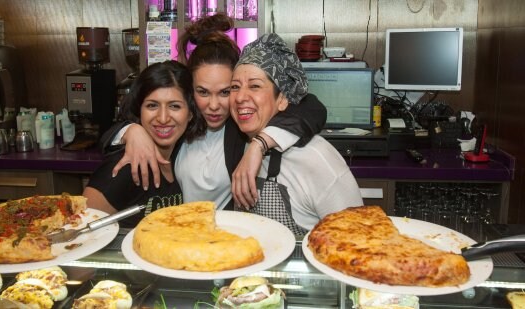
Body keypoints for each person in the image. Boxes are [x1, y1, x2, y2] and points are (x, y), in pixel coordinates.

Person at [104, 13, 326, 210]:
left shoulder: (243, 127)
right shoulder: (182, 124)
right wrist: (132, 131)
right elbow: (113, 129)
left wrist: (257, 146)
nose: (213, 105)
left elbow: (312, 108)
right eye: (203, 92)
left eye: (225, 92)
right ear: (190, 90)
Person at [229, 33, 363, 235]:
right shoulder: (236, 141)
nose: (240, 97)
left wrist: (259, 144)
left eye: (255, 86)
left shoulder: (316, 158)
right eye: (234, 87)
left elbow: (358, 239)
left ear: (282, 99)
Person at [83, 60, 205, 228]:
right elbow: (80, 231)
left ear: (190, 114)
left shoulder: (180, 156)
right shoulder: (125, 167)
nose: (163, 118)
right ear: (139, 109)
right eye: (152, 105)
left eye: (175, 106)